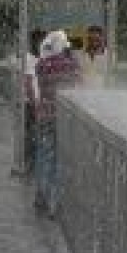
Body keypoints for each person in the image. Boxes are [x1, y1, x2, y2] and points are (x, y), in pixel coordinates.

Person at [33, 30, 82, 214]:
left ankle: (41, 194)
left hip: (45, 116)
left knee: (45, 156)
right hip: (63, 118)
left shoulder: (42, 65)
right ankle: (55, 203)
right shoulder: (70, 64)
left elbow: (41, 84)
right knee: (61, 158)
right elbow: (79, 85)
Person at [23, 28, 48, 173]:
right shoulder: (29, 58)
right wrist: (35, 103)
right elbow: (28, 82)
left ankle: (37, 164)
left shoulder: (45, 58)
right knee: (32, 135)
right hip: (32, 103)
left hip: (43, 102)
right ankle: (30, 164)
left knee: (40, 135)